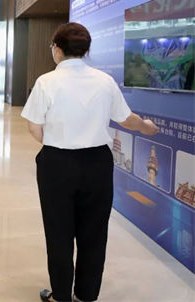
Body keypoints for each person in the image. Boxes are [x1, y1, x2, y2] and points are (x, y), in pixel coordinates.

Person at [21, 23, 159, 302]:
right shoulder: (104, 81)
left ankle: (61, 295)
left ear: (57, 49)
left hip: (57, 163)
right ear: (85, 50)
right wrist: (146, 127)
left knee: (59, 232)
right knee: (94, 232)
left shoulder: (46, 82)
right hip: (97, 163)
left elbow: (34, 127)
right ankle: (86, 294)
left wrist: (58, 142)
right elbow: (126, 119)